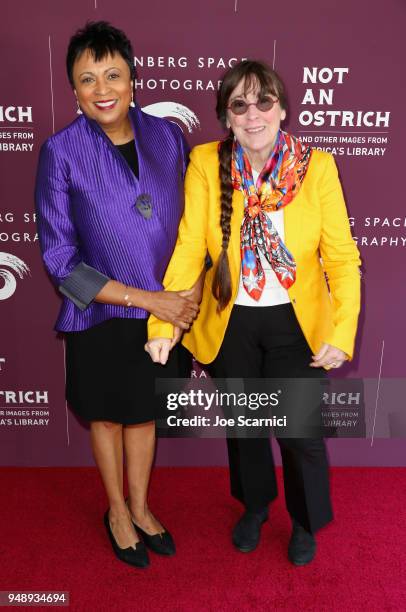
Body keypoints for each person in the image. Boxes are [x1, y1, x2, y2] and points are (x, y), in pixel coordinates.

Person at [146, 60, 361, 566]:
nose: (253, 113)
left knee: (299, 434)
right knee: (245, 429)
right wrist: (164, 322)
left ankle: (305, 520)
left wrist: (342, 329)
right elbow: (188, 248)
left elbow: (342, 258)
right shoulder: (205, 162)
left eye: (264, 101)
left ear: (283, 109)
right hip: (231, 322)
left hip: (295, 322)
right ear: (226, 116)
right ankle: (257, 506)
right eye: (239, 104)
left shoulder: (318, 167)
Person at [35, 21, 199, 569]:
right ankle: (117, 511)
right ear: (74, 90)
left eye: (113, 74)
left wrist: (180, 297)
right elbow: (61, 261)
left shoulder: (168, 136)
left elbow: (190, 229)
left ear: (134, 79)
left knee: (144, 413)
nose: (102, 88)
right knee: (105, 416)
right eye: (87, 78)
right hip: (99, 312)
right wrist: (144, 299)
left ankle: (143, 506)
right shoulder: (61, 151)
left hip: (162, 317)